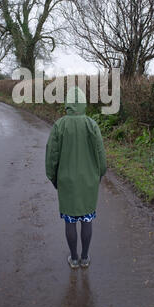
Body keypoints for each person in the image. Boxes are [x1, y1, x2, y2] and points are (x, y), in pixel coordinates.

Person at [45, 85, 107, 269]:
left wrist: (53, 178)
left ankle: (73, 258)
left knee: (70, 220)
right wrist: (99, 174)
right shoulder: (91, 124)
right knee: (87, 219)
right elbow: (100, 154)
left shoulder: (59, 125)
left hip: (66, 182)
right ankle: (85, 257)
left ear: (67, 104)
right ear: (83, 103)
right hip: (88, 182)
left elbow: (51, 156)